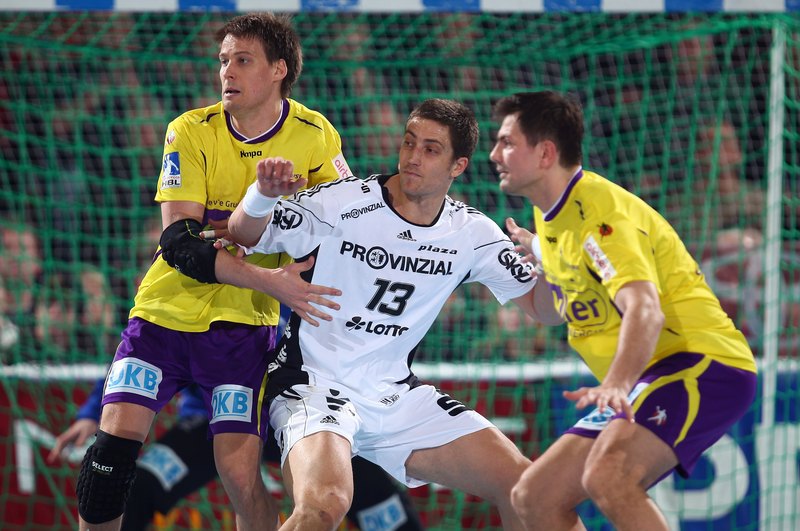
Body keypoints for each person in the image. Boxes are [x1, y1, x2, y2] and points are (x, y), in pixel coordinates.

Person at [221, 98, 562, 531]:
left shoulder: (471, 233)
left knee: (523, 486)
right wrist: (261, 196)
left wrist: (554, 262)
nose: (413, 157)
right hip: (314, 384)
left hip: (395, 395)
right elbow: (243, 233)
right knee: (324, 505)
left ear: (458, 166)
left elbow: (545, 310)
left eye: (431, 149)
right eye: (409, 142)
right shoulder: (344, 202)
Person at [74, 13, 347, 531]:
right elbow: (179, 243)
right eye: (223, 60)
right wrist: (271, 277)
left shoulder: (315, 135)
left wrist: (273, 242)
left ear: (278, 69)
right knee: (108, 458)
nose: (227, 71)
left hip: (241, 329)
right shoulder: (190, 129)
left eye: (242, 60)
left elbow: (341, 228)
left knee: (240, 478)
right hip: (163, 314)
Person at [488, 90, 758, 531]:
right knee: (534, 497)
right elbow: (553, 309)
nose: (495, 154)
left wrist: (615, 383)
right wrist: (509, 263)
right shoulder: (551, 218)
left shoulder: (599, 215)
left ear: (546, 153)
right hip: (650, 376)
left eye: (507, 142)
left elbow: (645, 311)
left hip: (701, 363)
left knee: (609, 478)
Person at [52, 380, 425, 531]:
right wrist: (92, 412)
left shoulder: (306, 270)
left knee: (382, 504)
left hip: (299, 419)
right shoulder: (201, 266)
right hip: (214, 420)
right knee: (139, 486)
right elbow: (143, 342)